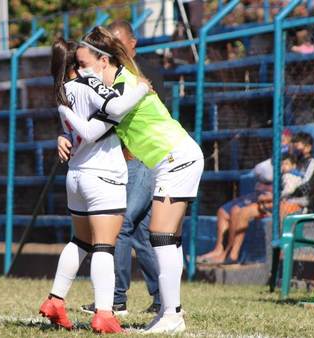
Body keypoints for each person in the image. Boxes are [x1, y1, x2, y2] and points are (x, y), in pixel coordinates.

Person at [58, 26, 204, 334]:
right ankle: (169, 311)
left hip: (176, 157)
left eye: (84, 65)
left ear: (103, 61)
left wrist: (66, 115)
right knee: (169, 240)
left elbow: (93, 128)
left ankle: (172, 315)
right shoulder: (114, 88)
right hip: (172, 159)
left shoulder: (125, 85)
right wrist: (63, 133)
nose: (82, 72)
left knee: (161, 236)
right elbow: (90, 126)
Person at [39, 38, 149, 334]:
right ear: (79, 63)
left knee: (81, 241)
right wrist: (141, 87)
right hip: (102, 175)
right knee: (104, 246)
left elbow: (73, 131)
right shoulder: (87, 83)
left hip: (76, 176)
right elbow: (116, 106)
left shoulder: (63, 92)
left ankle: (55, 300)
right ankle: (104, 313)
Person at [75, 19, 161, 316]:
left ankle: (116, 298)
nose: (109, 50)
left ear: (132, 44)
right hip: (125, 163)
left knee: (120, 225)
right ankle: (163, 297)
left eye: (115, 42)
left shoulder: (139, 75)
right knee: (140, 232)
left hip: (141, 160)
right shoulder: (110, 76)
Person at [197, 130, 292, 265]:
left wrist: (267, 189)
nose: (280, 143)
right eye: (278, 140)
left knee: (237, 211)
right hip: (259, 195)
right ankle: (219, 250)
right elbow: (260, 173)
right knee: (223, 211)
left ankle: (230, 254)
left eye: (283, 140)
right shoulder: (274, 158)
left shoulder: (290, 159)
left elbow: (282, 183)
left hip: (275, 201)